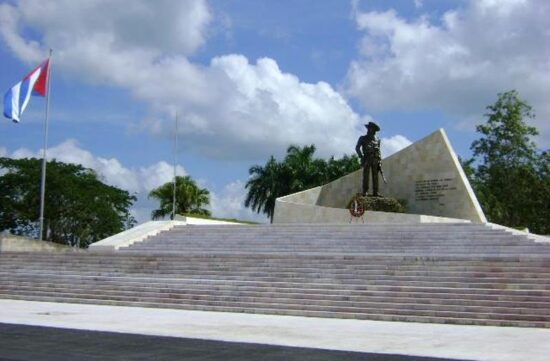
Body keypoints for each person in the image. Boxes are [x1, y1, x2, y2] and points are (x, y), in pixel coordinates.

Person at [355, 121, 382, 196]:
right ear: (369, 129)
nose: (372, 131)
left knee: (375, 176)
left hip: (375, 159)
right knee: (366, 175)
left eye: (373, 130)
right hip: (367, 157)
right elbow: (357, 148)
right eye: (370, 129)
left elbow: (379, 151)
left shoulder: (378, 140)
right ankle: (365, 190)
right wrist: (361, 156)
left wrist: (380, 161)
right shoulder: (363, 138)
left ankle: (375, 192)